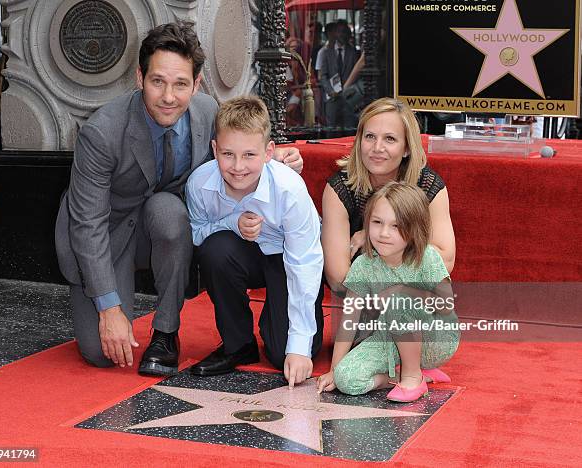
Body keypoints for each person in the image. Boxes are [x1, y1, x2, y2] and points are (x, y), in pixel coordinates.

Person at [54, 18, 303, 376]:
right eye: (158, 82)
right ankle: (109, 302)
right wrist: (109, 310)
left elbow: (238, 149)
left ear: (196, 84)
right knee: (99, 352)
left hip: (163, 224)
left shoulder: (206, 113)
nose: (169, 97)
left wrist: (273, 159)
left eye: (181, 84)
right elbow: (87, 223)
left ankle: (166, 333)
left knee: (169, 211)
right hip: (103, 232)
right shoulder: (101, 133)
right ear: (140, 78)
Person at [185, 96, 324, 388]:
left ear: (268, 152)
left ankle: (280, 322)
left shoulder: (289, 189)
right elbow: (196, 233)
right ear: (214, 150)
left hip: (286, 258)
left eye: (249, 155)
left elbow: (305, 262)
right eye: (227, 154)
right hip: (241, 254)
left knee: (282, 353)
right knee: (215, 249)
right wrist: (230, 224)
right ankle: (238, 343)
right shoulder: (199, 183)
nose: (237, 167)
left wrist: (298, 347)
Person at [317, 182, 460, 402]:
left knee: (398, 298)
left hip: (435, 338)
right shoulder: (363, 265)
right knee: (346, 379)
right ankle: (398, 375)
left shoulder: (427, 257)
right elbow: (350, 318)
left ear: (414, 229)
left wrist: (403, 292)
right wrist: (335, 369)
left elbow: (445, 305)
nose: (384, 233)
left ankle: (413, 377)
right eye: (377, 222)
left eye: (396, 226)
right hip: (387, 337)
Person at [321, 97, 456, 297]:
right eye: (370, 137)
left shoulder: (428, 185)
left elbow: (445, 259)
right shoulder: (340, 188)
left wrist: (370, 238)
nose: (377, 148)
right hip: (364, 306)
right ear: (359, 141)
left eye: (390, 139)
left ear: (407, 148)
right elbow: (338, 278)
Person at [319, 19, 360, 128]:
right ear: (336, 33)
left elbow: (358, 74)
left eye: (346, 32)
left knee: (349, 127)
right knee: (331, 128)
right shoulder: (327, 52)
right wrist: (330, 91)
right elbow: (323, 76)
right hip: (332, 98)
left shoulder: (354, 52)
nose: (343, 35)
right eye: (340, 32)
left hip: (349, 97)